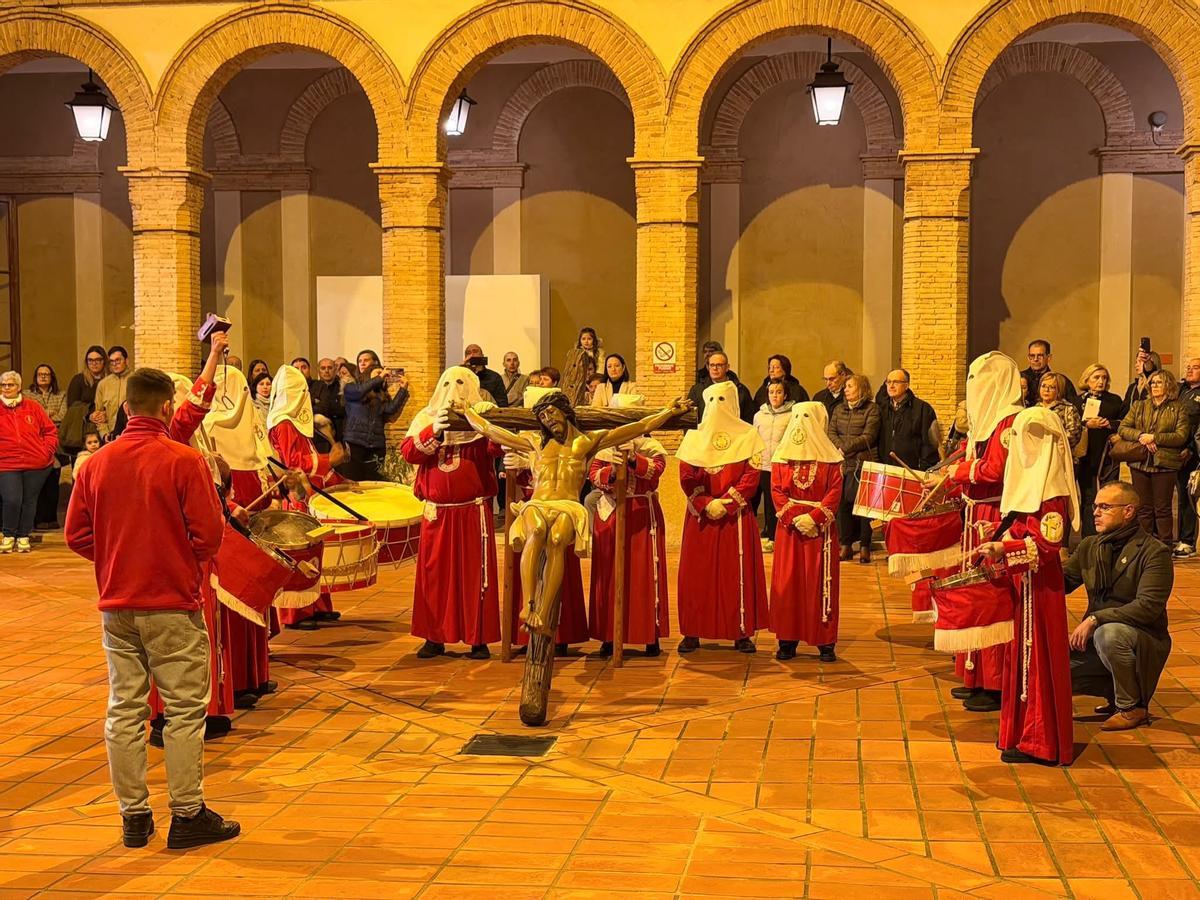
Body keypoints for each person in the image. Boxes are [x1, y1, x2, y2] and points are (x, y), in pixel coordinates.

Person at [64, 367, 240, 850]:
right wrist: (171, 559)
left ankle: (134, 818)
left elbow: (76, 535)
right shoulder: (183, 460)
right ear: (167, 408)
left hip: (116, 604)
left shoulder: (97, 463)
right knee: (183, 711)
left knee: (124, 709)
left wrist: (118, 558)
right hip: (170, 602)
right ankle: (187, 814)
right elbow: (209, 535)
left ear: (126, 408)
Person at [975, 406, 1078, 766]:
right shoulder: (1032, 487)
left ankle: (1042, 741)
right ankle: (1020, 732)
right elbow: (1025, 527)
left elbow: (1047, 547)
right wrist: (1001, 534)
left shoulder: (1051, 492)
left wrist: (1007, 548)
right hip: (1023, 583)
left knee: (1038, 660)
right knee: (1021, 656)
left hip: (1040, 588)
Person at [938, 351, 1024, 712]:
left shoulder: (1010, 423)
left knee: (993, 596)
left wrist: (959, 473)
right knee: (975, 593)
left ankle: (997, 682)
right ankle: (975, 675)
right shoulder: (987, 422)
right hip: (976, 515)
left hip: (995, 515)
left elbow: (995, 470)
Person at [402, 367, 502, 658]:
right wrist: (434, 431)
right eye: (447, 382)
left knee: (475, 575)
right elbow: (409, 452)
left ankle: (477, 637)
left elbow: (500, 448)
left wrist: (485, 422)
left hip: (472, 512)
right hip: (438, 513)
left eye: (461, 383)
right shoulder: (426, 417)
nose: (453, 389)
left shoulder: (480, 420)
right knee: (435, 576)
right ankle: (434, 636)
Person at [1067, 481, 1174, 731]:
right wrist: (1024, 559)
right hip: (1095, 642)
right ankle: (1114, 695)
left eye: (1104, 507)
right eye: (1095, 506)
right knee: (1049, 674)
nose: (1095, 512)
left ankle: (1131, 707)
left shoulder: (1154, 552)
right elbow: (1059, 582)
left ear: (1128, 511)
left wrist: (1095, 619)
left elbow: (1147, 607)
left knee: (1109, 633)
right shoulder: (1090, 546)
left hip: (1141, 637)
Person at [676, 381, 769, 654]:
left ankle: (740, 632)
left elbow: (751, 478)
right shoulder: (693, 438)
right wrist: (706, 503)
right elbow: (686, 476)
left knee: (735, 574)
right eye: (712, 399)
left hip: (735, 518)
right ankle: (692, 631)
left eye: (722, 399)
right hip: (701, 518)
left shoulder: (749, 436)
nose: (717, 405)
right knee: (696, 576)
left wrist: (726, 504)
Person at [587, 395, 670, 657]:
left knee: (644, 574)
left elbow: (656, 471)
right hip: (611, 513)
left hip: (642, 515)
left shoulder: (652, 446)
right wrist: (611, 471)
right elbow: (593, 475)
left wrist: (634, 459)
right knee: (609, 573)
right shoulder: (604, 446)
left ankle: (648, 634)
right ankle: (610, 635)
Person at [266, 364, 348, 628]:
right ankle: (296, 612)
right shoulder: (285, 423)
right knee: (300, 554)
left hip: (307, 493)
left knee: (314, 550)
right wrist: (329, 461)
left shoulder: (296, 423)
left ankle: (318, 604)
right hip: (295, 494)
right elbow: (293, 464)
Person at [770, 402, 843, 662]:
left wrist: (814, 518)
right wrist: (793, 518)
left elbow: (834, 492)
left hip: (819, 532)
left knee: (818, 582)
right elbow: (777, 490)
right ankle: (787, 640)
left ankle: (824, 640)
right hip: (789, 532)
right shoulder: (782, 457)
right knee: (788, 583)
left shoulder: (831, 460)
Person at [1117, 370, 1190, 544]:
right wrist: (1142, 435)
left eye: (1159, 382)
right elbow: (1123, 428)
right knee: (1143, 508)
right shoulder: (1140, 405)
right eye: (1152, 383)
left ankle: (1165, 546)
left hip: (1165, 463)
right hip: (1140, 462)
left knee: (1163, 508)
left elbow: (1181, 435)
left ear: (1169, 385)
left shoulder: (1179, 407)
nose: (1155, 386)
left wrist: (1155, 438)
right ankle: (1144, 545)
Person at [0, 370, 58, 553]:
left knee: (29, 501)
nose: (7, 388)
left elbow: (50, 431)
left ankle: (23, 535)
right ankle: (8, 534)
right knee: (12, 500)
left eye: (10, 384)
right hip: (7, 464)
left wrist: (46, 451)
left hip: (36, 463)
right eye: (3, 385)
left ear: (18, 386)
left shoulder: (33, 407)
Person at [828, 374, 880, 564]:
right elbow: (831, 431)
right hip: (842, 463)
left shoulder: (872, 409)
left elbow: (869, 435)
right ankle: (846, 545)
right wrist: (840, 447)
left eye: (850, 386)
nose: (846, 389)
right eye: (846, 387)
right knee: (843, 506)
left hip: (862, 463)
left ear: (862, 388)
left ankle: (865, 546)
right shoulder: (839, 409)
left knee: (863, 507)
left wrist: (846, 448)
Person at [342, 349, 409, 481]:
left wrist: (402, 390)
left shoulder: (380, 393)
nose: (362, 364)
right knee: (354, 482)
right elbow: (360, 392)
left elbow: (390, 410)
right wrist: (378, 378)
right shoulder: (351, 387)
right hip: (355, 443)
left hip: (376, 445)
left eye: (365, 360)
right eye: (359, 361)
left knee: (373, 483)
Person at [1076, 364, 1126, 537]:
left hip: (1108, 455)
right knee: (1089, 497)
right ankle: (1089, 538)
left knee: (1109, 497)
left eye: (1104, 378)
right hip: (1086, 456)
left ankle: (1109, 535)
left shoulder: (1114, 400)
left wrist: (1110, 425)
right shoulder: (1079, 401)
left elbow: (1125, 422)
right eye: (1096, 377)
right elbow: (1072, 424)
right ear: (1087, 380)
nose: (1101, 381)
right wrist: (1086, 424)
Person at [24, 363, 68, 529]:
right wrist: (48, 415)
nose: (43, 377)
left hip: (55, 440)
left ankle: (51, 518)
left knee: (53, 479)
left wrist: (41, 414)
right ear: (35, 377)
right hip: (34, 441)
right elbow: (29, 417)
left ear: (52, 377)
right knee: (37, 482)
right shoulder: (27, 395)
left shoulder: (61, 394)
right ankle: (38, 518)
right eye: (40, 374)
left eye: (46, 374)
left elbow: (63, 415)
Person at [752, 379, 794, 546]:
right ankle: (758, 535)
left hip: (780, 464)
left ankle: (775, 537)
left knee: (774, 502)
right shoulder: (759, 415)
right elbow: (754, 438)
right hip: (761, 463)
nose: (774, 396)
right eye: (771, 392)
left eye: (778, 392)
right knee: (756, 500)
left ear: (785, 395)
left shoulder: (791, 415)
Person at [878, 369, 939, 471]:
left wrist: (923, 468)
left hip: (913, 470)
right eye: (888, 382)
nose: (891, 386)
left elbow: (929, 444)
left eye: (896, 382)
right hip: (886, 469)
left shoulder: (922, 409)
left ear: (906, 385)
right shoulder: (881, 408)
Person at [1174, 357, 1200, 558]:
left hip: (1192, 453)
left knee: (1189, 497)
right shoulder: (1180, 390)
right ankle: (1179, 537)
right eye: (1188, 367)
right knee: (1179, 497)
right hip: (1174, 450)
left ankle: (1188, 540)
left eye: (1196, 367)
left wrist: (1191, 448)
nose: (1190, 370)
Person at [687, 351, 755, 423]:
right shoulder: (698, 390)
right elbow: (689, 419)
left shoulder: (740, 390)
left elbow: (749, 419)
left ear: (727, 367)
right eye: (712, 365)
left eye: (719, 365)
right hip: (705, 433)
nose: (715, 368)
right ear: (708, 367)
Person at [1020, 339, 1078, 407]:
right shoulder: (1019, 378)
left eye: (1040, 356)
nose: (1035, 359)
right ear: (1028, 358)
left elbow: (1073, 405)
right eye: (1032, 356)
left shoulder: (1060, 381)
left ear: (1049, 357)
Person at [1037, 372, 1082, 451]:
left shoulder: (1068, 409)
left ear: (1059, 390)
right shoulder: (1035, 409)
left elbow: (1074, 436)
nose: (1046, 390)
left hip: (1060, 453)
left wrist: (1052, 444)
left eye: (1052, 387)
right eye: (1043, 386)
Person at [94, 346, 131, 439]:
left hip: (130, 434)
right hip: (110, 435)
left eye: (118, 360)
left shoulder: (135, 380)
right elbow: (99, 414)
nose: (115, 364)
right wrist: (104, 434)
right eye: (112, 361)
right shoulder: (103, 384)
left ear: (126, 361)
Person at [561, 327, 600, 407]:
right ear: (580, 340)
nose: (586, 341)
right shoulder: (575, 354)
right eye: (583, 339)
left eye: (589, 339)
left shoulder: (598, 354)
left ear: (594, 340)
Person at [310, 357, 345, 448]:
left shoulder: (342, 386)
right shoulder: (313, 387)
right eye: (323, 368)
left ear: (335, 369)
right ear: (318, 370)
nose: (326, 371)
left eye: (330, 368)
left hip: (339, 429)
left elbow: (342, 408)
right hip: (317, 435)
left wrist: (321, 405)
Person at [463, 343, 509, 408]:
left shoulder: (494, 377)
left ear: (482, 356)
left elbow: (503, 405)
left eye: (475, 351)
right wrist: (463, 367)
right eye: (468, 353)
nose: (472, 355)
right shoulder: (462, 377)